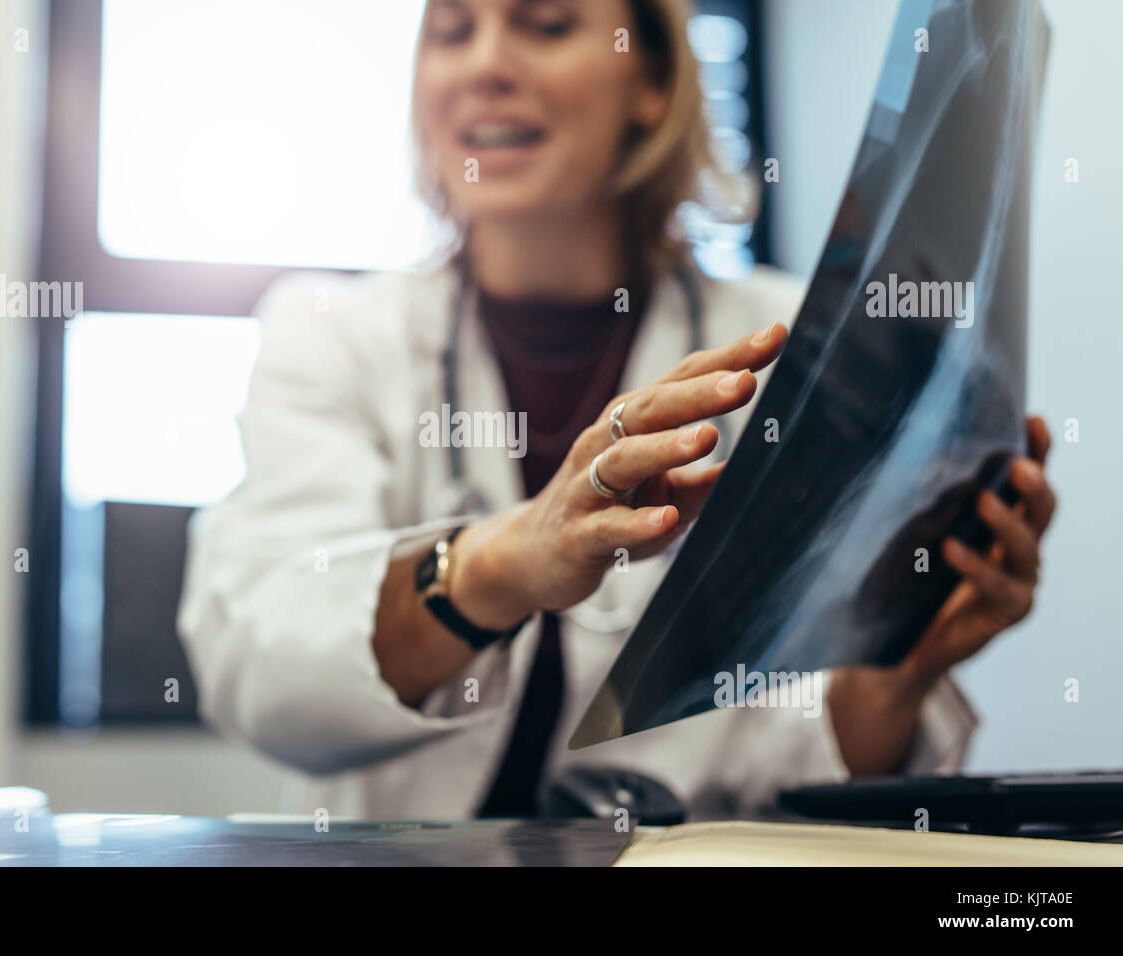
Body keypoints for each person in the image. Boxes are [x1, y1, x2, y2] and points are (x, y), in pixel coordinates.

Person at [177, 0, 1056, 819]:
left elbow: (789, 770)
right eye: (451, 32)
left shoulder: (789, 346)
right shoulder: (333, 335)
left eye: (546, 24)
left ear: (652, 82)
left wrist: (892, 683)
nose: (484, 66)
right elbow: (263, 662)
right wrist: (502, 564)